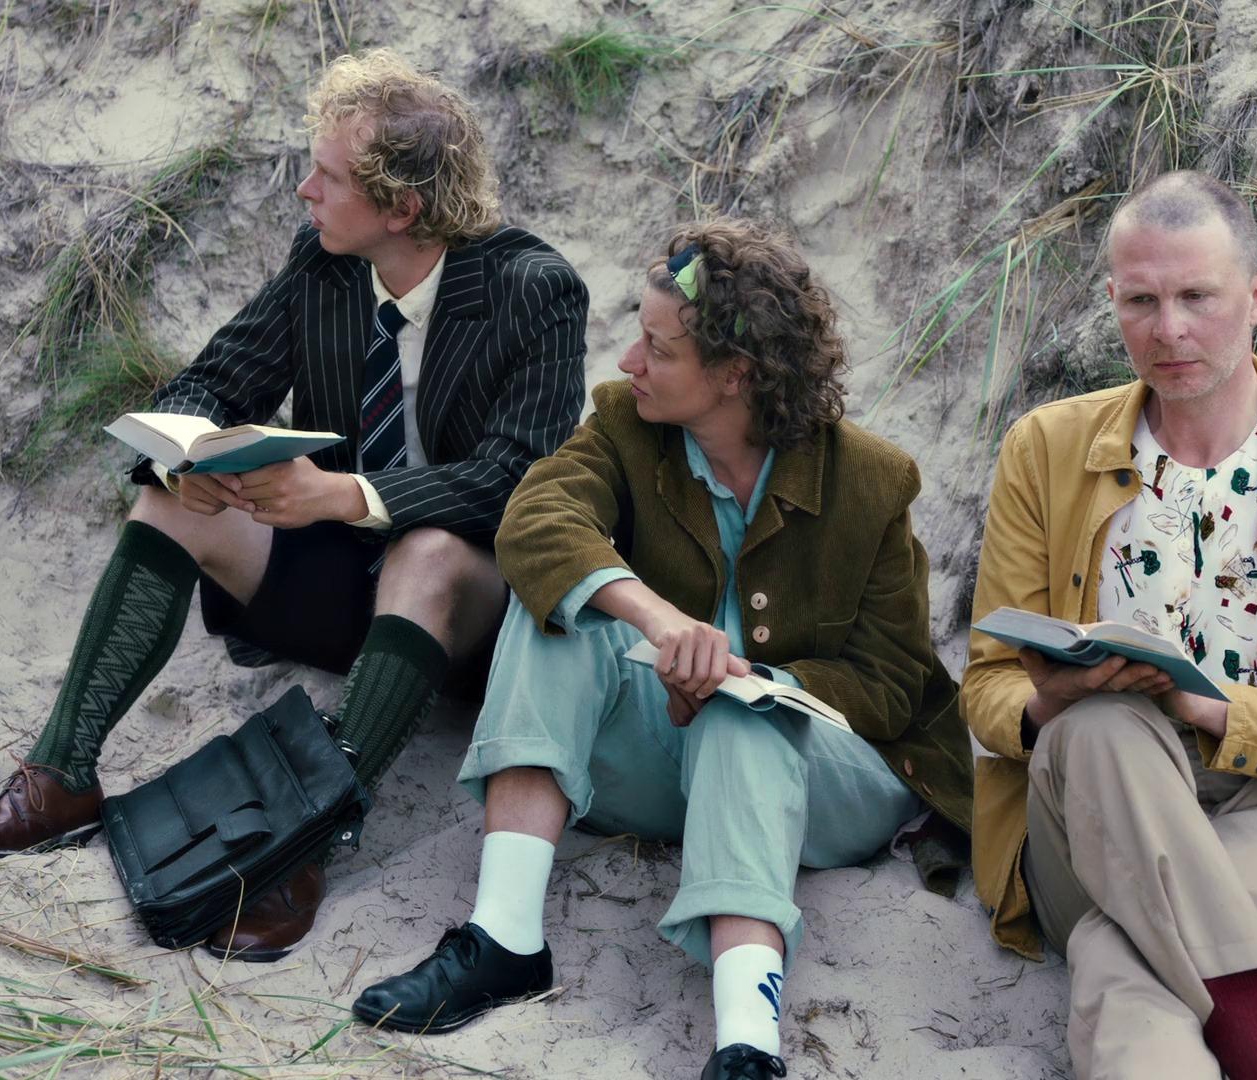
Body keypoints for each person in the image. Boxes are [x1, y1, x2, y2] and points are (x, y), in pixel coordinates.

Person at [0, 49, 589, 963]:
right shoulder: (325, 263)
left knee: (429, 550)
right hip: (333, 593)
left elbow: (520, 482)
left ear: (402, 208)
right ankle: (62, 775)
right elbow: (212, 378)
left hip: (468, 622)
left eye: (328, 176)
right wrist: (186, 457)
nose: (305, 191)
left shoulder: (534, 290)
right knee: (170, 506)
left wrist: (347, 494)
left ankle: (304, 845)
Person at [348, 219, 973, 1080]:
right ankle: (504, 939)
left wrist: (744, 679)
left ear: (735, 374)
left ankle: (747, 1043)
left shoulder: (870, 479)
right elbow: (536, 522)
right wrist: (657, 622)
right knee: (558, 608)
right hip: (667, 761)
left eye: (659, 348)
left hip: (832, 782)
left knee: (744, 714)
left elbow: (893, 682)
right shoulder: (625, 424)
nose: (630, 361)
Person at [962, 171, 1257, 1079]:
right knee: (1100, 726)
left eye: (1197, 297)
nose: (1169, 329)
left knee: (1117, 954)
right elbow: (987, 685)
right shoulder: (1046, 450)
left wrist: (1207, 707)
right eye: (1141, 301)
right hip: (1086, 818)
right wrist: (1049, 701)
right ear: (1113, 300)